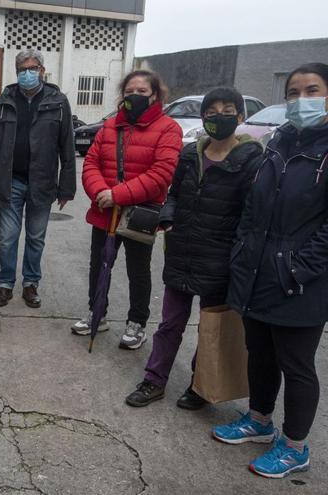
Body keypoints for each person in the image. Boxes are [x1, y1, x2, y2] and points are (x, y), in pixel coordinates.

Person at [212, 63, 328, 479]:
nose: (300, 100)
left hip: (300, 281)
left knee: (296, 364)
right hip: (258, 270)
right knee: (259, 353)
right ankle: (259, 420)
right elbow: (253, 204)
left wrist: (300, 268)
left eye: (311, 90)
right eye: (293, 92)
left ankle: (295, 446)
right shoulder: (279, 141)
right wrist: (244, 249)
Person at [125, 87, 262, 408]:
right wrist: (168, 218)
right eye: (211, 112)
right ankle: (153, 380)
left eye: (227, 111)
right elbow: (173, 194)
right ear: (203, 117)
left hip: (220, 258)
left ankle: (200, 386)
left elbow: (251, 213)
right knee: (170, 323)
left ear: (241, 117)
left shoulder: (251, 160)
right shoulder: (190, 154)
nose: (218, 117)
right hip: (182, 250)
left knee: (211, 327)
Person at [75, 70, 182, 349]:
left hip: (140, 214)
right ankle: (96, 312)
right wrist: (101, 192)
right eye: (129, 91)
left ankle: (137, 323)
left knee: (138, 270)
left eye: (142, 92)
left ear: (155, 95)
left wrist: (117, 195)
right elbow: (91, 164)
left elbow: (161, 174)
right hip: (104, 210)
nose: (135, 96)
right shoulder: (110, 127)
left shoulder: (169, 128)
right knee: (99, 266)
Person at [0, 49, 76, 309]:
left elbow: (67, 146)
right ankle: (5, 284)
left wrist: (66, 187)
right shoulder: (3, 101)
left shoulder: (58, 102)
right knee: (8, 237)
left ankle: (30, 284)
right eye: (22, 69)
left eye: (32, 68)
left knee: (36, 236)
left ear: (42, 71)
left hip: (42, 183)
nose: (27, 73)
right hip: (10, 182)